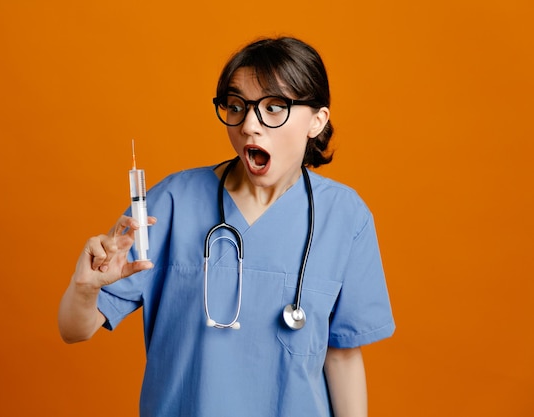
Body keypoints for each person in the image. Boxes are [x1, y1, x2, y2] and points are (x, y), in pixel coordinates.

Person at [58, 36, 395, 417]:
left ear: (317, 121)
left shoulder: (345, 217)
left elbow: (343, 357)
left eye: (274, 108)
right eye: (236, 106)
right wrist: (83, 288)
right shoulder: (170, 204)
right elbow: (75, 329)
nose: (249, 125)